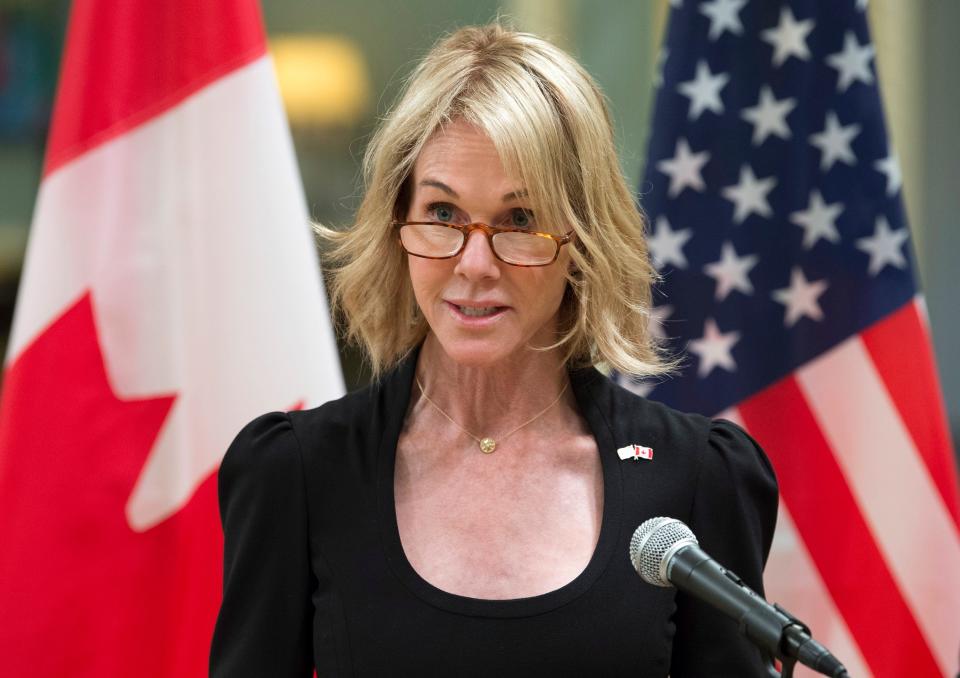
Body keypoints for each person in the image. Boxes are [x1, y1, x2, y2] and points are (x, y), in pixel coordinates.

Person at [209, 23, 778, 677]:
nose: (474, 263)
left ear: (582, 240)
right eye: (444, 213)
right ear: (397, 225)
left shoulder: (695, 476)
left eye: (518, 220)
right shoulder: (298, 473)